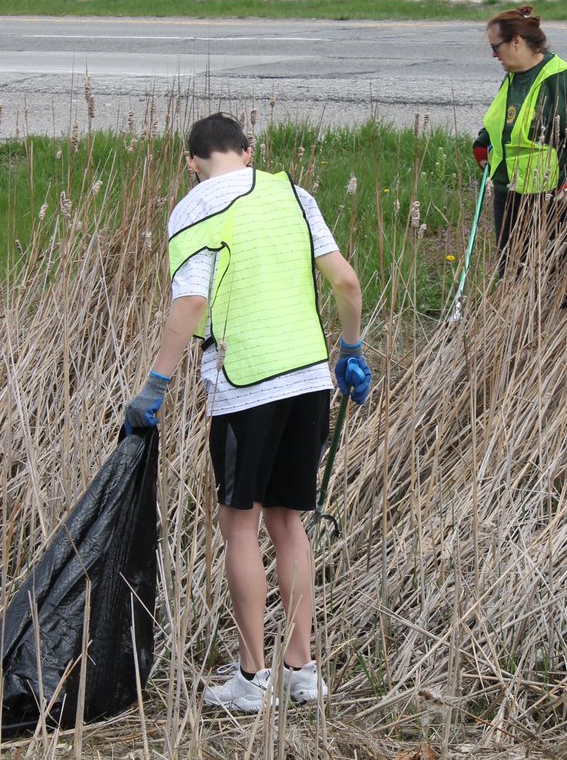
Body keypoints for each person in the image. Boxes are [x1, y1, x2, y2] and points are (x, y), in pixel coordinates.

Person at [123, 112, 371, 713]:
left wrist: (155, 385)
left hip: (246, 385)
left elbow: (191, 304)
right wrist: (351, 350)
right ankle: (302, 670)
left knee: (239, 524)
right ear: (249, 150)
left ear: (192, 163)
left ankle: (253, 679)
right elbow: (345, 282)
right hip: (309, 379)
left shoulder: (194, 207)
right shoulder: (295, 195)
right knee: (289, 522)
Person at [473, 4, 567, 278]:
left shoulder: (561, 81)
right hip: (508, 193)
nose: (493, 55)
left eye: (495, 47)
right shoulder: (514, 76)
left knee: (550, 278)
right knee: (511, 274)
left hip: (549, 200)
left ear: (516, 41)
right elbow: (506, 122)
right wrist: (482, 143)